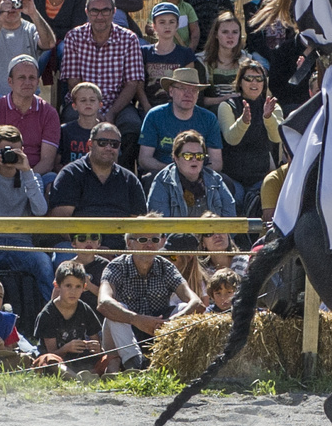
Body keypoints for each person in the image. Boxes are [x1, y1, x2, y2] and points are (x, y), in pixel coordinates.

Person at [97, 226, 203, 371]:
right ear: (129, 243)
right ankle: (134, 365)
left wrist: (172, 321)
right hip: (124, 336)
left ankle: (175, 363)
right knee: (115, 308)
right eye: (142, 240)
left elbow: (196, 301)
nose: (149, 245)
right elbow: (103, 302)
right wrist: (136, 319)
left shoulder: (166, 266)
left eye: (154, 239)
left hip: (158, 331)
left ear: (160, 243)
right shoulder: (116, 266)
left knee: (184, 308)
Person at [59, 0, 145, 156]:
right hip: (82, 100)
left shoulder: (129, 39)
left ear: (113, 12)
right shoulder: (74, 37)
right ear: (87, 12)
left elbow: (132, 83)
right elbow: (73, 81)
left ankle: (124, 176)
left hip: (118, 102)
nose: (100, 16)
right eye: (95, 11)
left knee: (132, 126)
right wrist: (93, 111)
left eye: (105, 10)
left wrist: (111, 111)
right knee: (70, 121)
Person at [0, 123, 52, 302]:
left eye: (15, 152)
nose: (10, 156)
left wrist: (26, 171)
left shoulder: (31, 177)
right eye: (5, 151)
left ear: (23, 152)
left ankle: (49, 317)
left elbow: (40, 210)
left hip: (21, 244)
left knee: (44, 263)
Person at [0, 56, 59, 182]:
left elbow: (47, 161)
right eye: (21, 77)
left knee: (52, 181)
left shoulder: (49, 113)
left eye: (32, 78)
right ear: (10, 81)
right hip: (0, 174)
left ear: (38, 82)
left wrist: (26, 178)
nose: (27, 82)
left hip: (35, 174)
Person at [47, 121, 146, 222]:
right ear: (90, 144)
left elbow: (138, 223)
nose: (108, 148)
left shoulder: (130, 180)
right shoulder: (70, 174)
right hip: (80, 237)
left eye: (114, 144)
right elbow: (61, 221)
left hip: (120, 237)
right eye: (102, 142)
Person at [139, 68, 222, 174]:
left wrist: (195, 174)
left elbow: (217, 162)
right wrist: (175, 172)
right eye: (182, 88)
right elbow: (144, 159)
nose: (188, 94)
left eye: (193, 90)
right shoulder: (154, 116)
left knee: (227, 183)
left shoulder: (209, 119)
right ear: (171, 91)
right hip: (163, 174)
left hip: (199, 175)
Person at [146, 130, 238, 218]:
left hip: (213, 234)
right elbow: (160, 226)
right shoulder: (163, 182)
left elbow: (230, 222)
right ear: (176, 158)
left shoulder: (216, 180)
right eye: (188, 156)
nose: (194, 160)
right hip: (175, 234)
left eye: (199, 156)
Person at [140, 1, 204, 107]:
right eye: (162, 22)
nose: (167, 26)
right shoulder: (144, 52)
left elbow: (190, 86)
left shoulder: (186, 54)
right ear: (154, 26)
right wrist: (147, 108)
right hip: (148, 107)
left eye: (171, 22)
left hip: (177, 109)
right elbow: (139, 86)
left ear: (177, 25)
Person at [197, 10, 246, 110]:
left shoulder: (246, 60)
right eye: (225, 32)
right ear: (216, 34)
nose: (230, 36)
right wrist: (224, 99)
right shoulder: (202, 61)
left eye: (235, 32)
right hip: (212, 113)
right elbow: (198, 99)